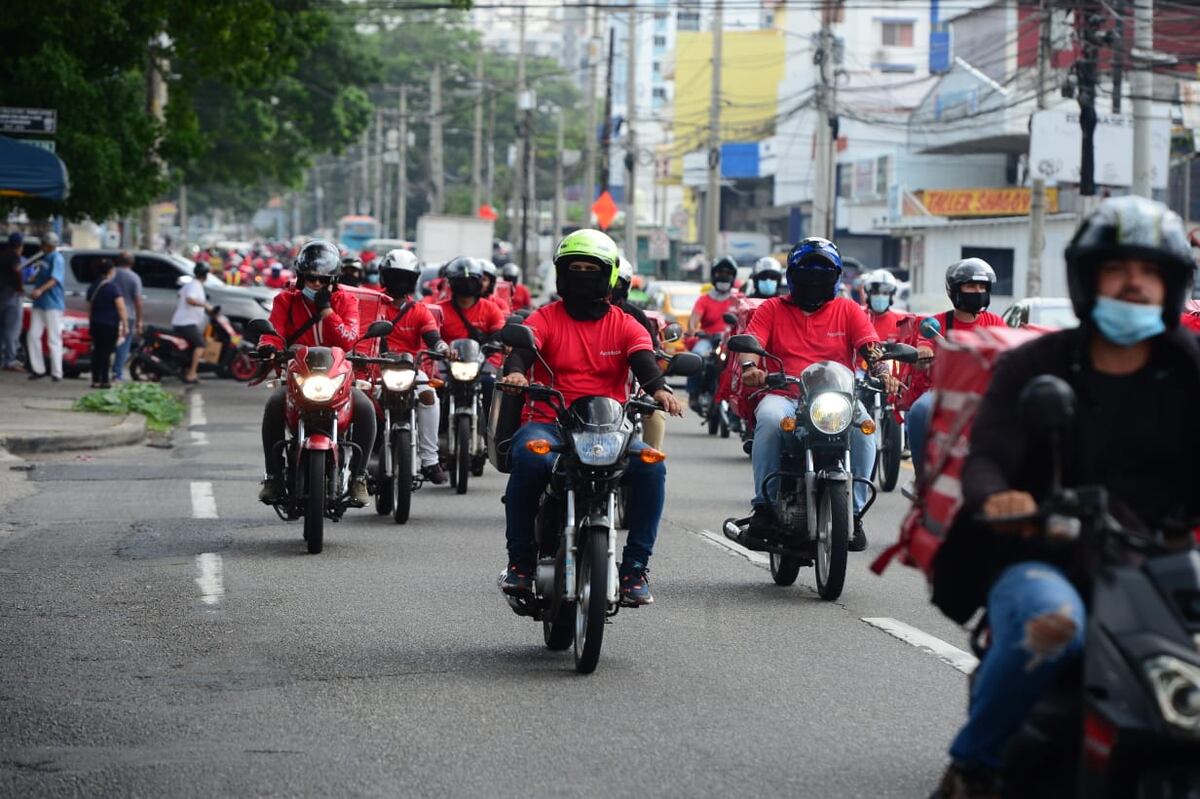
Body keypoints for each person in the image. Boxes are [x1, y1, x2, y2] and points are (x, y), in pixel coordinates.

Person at [928, 196, 1200, 798]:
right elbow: (989, 457)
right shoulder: (1037, 363)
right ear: (1087, 279)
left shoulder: (1190, 367)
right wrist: (1001, 499)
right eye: (1117, 269)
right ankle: (972, 766)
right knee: (1052, 624)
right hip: (1051, 551)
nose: (1135, 284)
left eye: (1150, 271)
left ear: (1172, 284)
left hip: (1168, 564)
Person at [497, 229, 683, 605]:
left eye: (590, 268)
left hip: (610, 427)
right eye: (574, 267)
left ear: (608, 275)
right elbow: (523, 349)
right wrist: (516, 371)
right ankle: (520, 564)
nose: (582, 274)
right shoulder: (545, 317)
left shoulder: (626, 323)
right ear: (562, 274)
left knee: (652, 466)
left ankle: (634, 570)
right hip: (550, 423)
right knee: (531, 460)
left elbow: (643, 361)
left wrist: (659, 389)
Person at [740, 237, 901, 550]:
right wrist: (750, 369)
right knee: (770, 421)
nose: (814, 279)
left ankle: (853, 512)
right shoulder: (771, 308)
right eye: (807, 271)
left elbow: (871, 348)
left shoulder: (849, 310)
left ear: (836, 277)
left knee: (867, 431)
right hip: (785, 396)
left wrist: (882, 372)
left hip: (837, 400)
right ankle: (764, 506)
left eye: (822, 272)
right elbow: (751, 344)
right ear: (792, 275)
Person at [256, 240, 375, 506]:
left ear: (333, 280)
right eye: (311, 278)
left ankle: (359, 478)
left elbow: (347, 340)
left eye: (323, 279)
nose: (316, 285)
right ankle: (273, 477)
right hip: (299, 378)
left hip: (337, 380)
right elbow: (273, 333)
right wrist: (268, 347)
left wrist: (327, 312)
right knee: (274, 404)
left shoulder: (347, 300)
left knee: (365, 408)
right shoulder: (285, 300)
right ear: (301, 277)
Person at [905, 259, 1006, 477]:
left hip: (986, 393)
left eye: (982, 287)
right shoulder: (935, 324)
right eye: (970, 286)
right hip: (944, 392)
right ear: (954, 290)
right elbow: (923, 346)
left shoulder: (996, 322)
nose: (977, 291)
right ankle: (923, 478)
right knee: (919, 411)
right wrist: (922, 355)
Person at [376, 248, 448, 484]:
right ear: (384, 277)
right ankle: (356, 461)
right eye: (395, 276)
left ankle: (429, 459)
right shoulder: (373, 306)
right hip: (376, 370)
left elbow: (432, 337)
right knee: (358, 401)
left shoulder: (419, 310)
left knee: (429, 395)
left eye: (405, 277)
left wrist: (443, 348)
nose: (399, 282)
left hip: (411, 370)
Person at [437, 256, 506, 413]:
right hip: (447, 364)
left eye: (471, 279)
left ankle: (490, 428)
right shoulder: (438, 310)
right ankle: (437, 428)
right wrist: (443, 351)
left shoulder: (491, 309)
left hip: (483, 362)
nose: (466, 284)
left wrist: (494, 348)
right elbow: (431, 337)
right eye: (461, 280)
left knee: (489, 384)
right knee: (435, 386)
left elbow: (498, 336)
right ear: (451, 283)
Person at [612, 255, 666, 450]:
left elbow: (650, 351)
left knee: (655, 413)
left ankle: (651, 458)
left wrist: (658, 389)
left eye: (615, 281)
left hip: (632, 385)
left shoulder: (635, 316)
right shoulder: (564, 315)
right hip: (583, 390)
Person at [685, 254, 740, 410]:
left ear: (733, 277)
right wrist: (694, 331)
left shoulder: (738, 299)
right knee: (696, 356)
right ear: (713, 276)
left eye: (728, 274)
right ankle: (693, 393)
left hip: (731, 342)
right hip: (708, 341)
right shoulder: (704, 299)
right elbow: (693, 321)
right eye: (720, 273)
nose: (724, 277)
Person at [26, 231, 66, 382]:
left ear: (49, 245)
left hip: (52, 303)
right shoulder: (44, 258)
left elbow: (55, 279)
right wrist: (34, 277)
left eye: (43, 244)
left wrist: (40, 289)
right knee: (33, 335)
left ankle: (57, 372)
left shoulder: (57, 258)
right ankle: (38, 369)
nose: (41, 246)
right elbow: (42, 274)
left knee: (54, 338)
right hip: (40, 303)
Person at [85, 258, 128, 388]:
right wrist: (125, 324)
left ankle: (95, 379)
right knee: (106, 352)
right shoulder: (112, 287)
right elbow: (121, 307)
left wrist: (91, 321)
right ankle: (105, 380)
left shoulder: (93, 286)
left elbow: (89, 307)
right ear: (111, 271)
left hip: (95, 323)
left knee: (97, 351)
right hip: (110, 325)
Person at [171, 263, 214, 385]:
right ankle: (191, 374)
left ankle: (187, 371)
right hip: (186, 323)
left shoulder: (192, 284)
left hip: (185, 321)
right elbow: (189, 299)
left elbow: (179, 294)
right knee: (201, 345)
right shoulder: (194, 285)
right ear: (206, 275)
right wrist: (205, 305)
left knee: (191, 347)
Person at [110, 251, 143, 382]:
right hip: (127, 315)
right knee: (123, 344)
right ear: (132, 263)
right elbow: (138, 301)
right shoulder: (134, 277)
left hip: (110, 313)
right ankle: (117, 373)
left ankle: (103, 371)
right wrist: (140, 319)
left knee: (108, 343)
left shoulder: (111, 274)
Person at [0, 232, 24, 371]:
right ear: (20, 245)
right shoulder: (14, 256)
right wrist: (20, 288)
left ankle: (2, 360)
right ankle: (10, 360)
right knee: (12, 330)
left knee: (1, 330)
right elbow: (17, 270)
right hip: (10, 295)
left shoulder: (2, 254)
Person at [860, 268, 905, 342]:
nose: (880, 297)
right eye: (875, 293)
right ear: (868, 295)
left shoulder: (900, 322)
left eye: (885, 293)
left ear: (891, 296)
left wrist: (924, 345)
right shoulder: (858, 317)